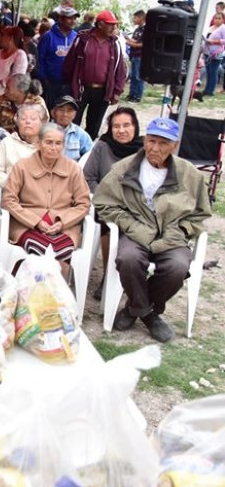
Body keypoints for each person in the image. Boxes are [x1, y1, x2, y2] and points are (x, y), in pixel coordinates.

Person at [94, 118, 211, 342]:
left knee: (177, 266)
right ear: (145, 140)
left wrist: (180, 231)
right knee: (128, 258)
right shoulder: (124, 169)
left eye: (163, 143)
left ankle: (134, 309)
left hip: (171, 236)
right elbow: (103, 203)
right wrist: (131, 225)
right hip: (136, 231)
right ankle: (149, 315)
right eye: (151, 141)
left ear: (174, 146)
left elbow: (201, 213)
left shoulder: (190, 175)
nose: (154, 148)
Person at [1, 122, 91, 267]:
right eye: (48, 142)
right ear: (38, 143)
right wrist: (36, 222)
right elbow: (8, 200)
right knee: (38, 249)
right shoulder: (23, 166)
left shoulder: (73, 168)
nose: (53, 148)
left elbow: (83, 203)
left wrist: (62, 223)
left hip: (63, 226)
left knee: (62, 251)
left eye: (58, 143)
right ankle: (29, 286)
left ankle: (56, 288)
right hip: (27, 224)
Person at [82, 107, 142, 299]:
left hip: (135, 204)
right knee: (109, 221)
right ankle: (109, 274)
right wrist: (108, 196)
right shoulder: (102, 146)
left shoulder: (145, 150)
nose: (121, 130)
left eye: (126, 125)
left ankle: (129, 273)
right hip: (105, 202)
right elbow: (88, 177)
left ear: (135, 127)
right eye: (116, 126)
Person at [63, 10, 128, 139]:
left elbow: (121, 70)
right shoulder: (83, 39)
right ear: (100, 25)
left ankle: (87, 154)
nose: (114, 27)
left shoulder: (115, 44)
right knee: (73, 123)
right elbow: (70, 62)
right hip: (81, 89)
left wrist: (116, 92)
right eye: (110, 24)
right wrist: (69, 84)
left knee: (94, 127)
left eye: (115, 25)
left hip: (102, 91)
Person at [0, 103, 48, 189]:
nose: (28, 122)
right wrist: (15, 183)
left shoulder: (49, 145)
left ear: (43, 123)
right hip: (11, 192)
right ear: (17, 123)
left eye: (33, 119)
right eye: (23, 118)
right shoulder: (8, 142)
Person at [38, 6, 79, 108]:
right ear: (61, 19)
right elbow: (40, 60)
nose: (73, 21)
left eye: (75, 18)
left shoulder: (76, 36)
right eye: (70, 18)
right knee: (51, 111)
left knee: (64, 113)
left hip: (68, 85)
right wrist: (44, 79)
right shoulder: (48, 36)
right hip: (50, 83)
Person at [0, 26, 29, 101]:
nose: (0, 38)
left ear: (10, 38)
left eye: (3, 35)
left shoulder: (20, 54)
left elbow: (16, 77)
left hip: (6, 96)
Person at [51, 95, 92, 160]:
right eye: (61, 110)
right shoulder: (43, 131)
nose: (65, 114)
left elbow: (89, 157)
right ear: (53, 112)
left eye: (69, 111)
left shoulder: (81, 134)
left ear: (75, 114)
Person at [201, 12, 225, 98]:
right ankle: (207, 89)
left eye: (219, 18)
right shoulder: (211, 28)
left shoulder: (223, 28)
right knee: (208, 71)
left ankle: (210, 91)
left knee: (213, 72)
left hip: (216, 53)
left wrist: (215, 42)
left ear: (222, 19)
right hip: (207, 52)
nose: (217, 20)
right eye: (216, 18)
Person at [126, 10, 146, 102]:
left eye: (135, 17)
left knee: (138, 76)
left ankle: (138, 96)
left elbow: (142, 44)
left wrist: (130, 43)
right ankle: (132, 94)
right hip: (134, 55)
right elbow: (135, 40)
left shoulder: (146, 29)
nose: (134, 19)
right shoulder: (137, 29)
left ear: (141, 18)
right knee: (133, 76)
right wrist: (127, 39)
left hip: (141, 56)